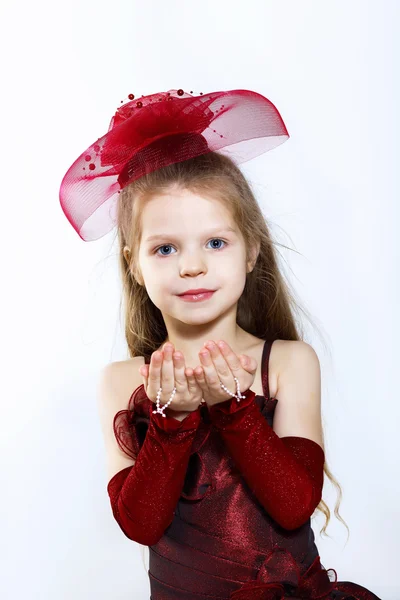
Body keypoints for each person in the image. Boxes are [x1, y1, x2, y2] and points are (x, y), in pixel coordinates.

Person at [60, 88, 381, 599]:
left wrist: (235, 409)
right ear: (134, 265)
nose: (192, 265)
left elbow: (295, 505)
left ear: (251, 249)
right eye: (165, 248)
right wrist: (171, 424)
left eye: (215, 242)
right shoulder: (123, 381)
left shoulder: (287, 363)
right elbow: (140, 525)